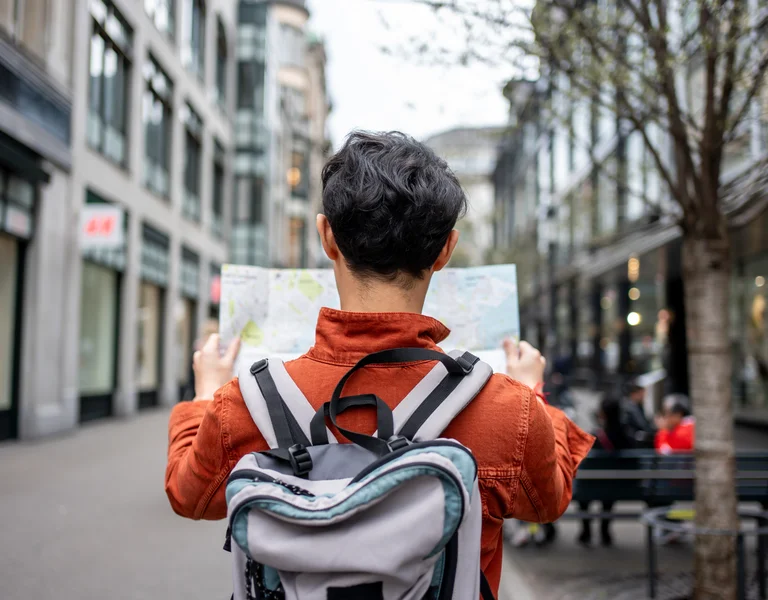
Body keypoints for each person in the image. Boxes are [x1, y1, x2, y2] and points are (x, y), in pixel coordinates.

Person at [164, 131, 594, 596]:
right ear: (446, 250)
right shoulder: (506, 408)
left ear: (327, 236)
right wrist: (532, 391)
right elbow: (547, 501)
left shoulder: (242, 404)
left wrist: (206, 391)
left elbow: (190, 496)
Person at [577, 397, 635, 547]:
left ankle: (586, 531)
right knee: (608, 490)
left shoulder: (595, 437)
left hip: (590, 486)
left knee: (584, 493)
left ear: (602, 414)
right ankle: (605, 531)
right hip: (618, 486)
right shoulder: (626, 436)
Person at [181, 319, 220, 401]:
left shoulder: (198, 349)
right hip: (205, 390)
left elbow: (190, 374)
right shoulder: (199, 349)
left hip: (201, 390)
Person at [621, 380, 656, 448]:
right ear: (634, 393)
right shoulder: (629, 407)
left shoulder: (637, 406)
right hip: (633, 443)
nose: (643, 396)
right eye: (641, 393)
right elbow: (641, 424)